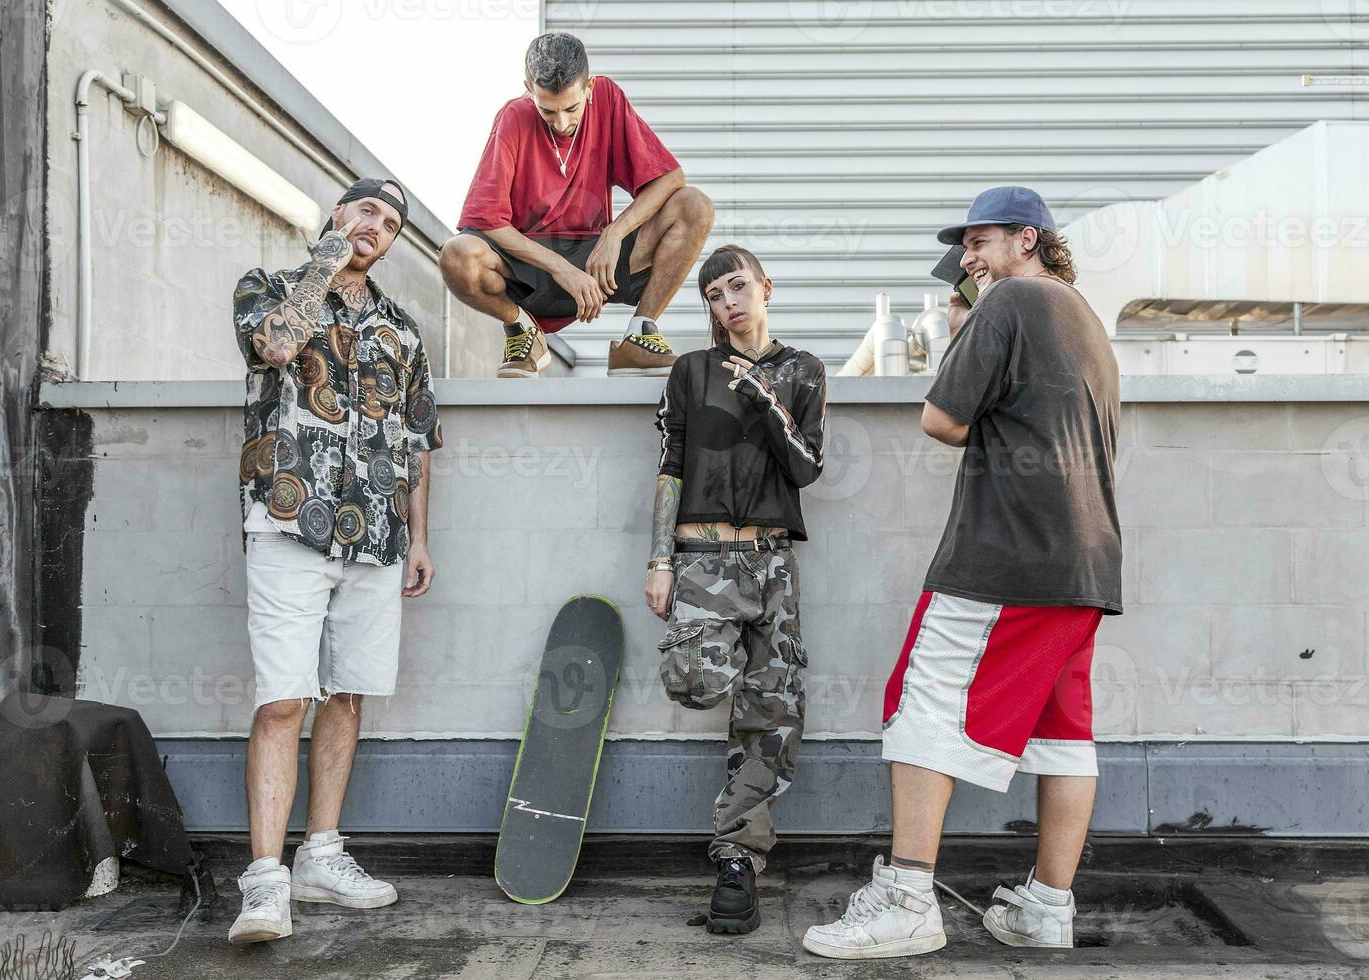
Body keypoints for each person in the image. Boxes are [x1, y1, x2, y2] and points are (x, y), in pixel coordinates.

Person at [804, 186, 1122, 959]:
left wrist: (967, 332)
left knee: (923, 701)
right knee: (1062, 733)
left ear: (1026, 238)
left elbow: (941, 417)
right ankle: (1047, 908)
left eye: (978, 242)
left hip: (1005, 555)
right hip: (1086, 564)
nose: (969, 260)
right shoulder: (1087, 319)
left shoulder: (1009, 301)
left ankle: (908, 899)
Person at [227, 179, 443, 945]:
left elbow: (416, 444)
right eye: (365, 211)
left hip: (378, 534)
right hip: (288, 521)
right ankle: (264, 884)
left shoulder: (404, 330)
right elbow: (278, 345)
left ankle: (321, 855)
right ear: (336, 212)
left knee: (348, 695)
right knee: (283, 700)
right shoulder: (270, 289)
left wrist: (419, 537)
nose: (376, 227)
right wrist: (328, 254)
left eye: (389, 223)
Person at [646, 244, 827, 934]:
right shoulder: (690, 371)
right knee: (695, 681)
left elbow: (807, 467)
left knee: (774, 712)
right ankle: (737, 834)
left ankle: (736, 860)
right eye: (716, 294)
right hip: (703, 558)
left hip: (773, 562)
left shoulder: (803, 370)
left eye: (739, 286)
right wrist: (660, 561)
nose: (730, 301)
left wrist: (765, 396)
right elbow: (670, 467)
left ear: (765, 288)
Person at [441, 32, 714, 378]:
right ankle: (523, 331)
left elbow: (671, 178)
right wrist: (561, 268)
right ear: (528, 88)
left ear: (590, 87)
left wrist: (615, 234)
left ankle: (639, 334)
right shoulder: (512, 118)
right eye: (548, 111)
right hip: (531, 266)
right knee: (456, 254)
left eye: (572, 108)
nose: (562, 122)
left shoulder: (608, 98)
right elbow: (484, 220)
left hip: (599, 258)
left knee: (695, 206)